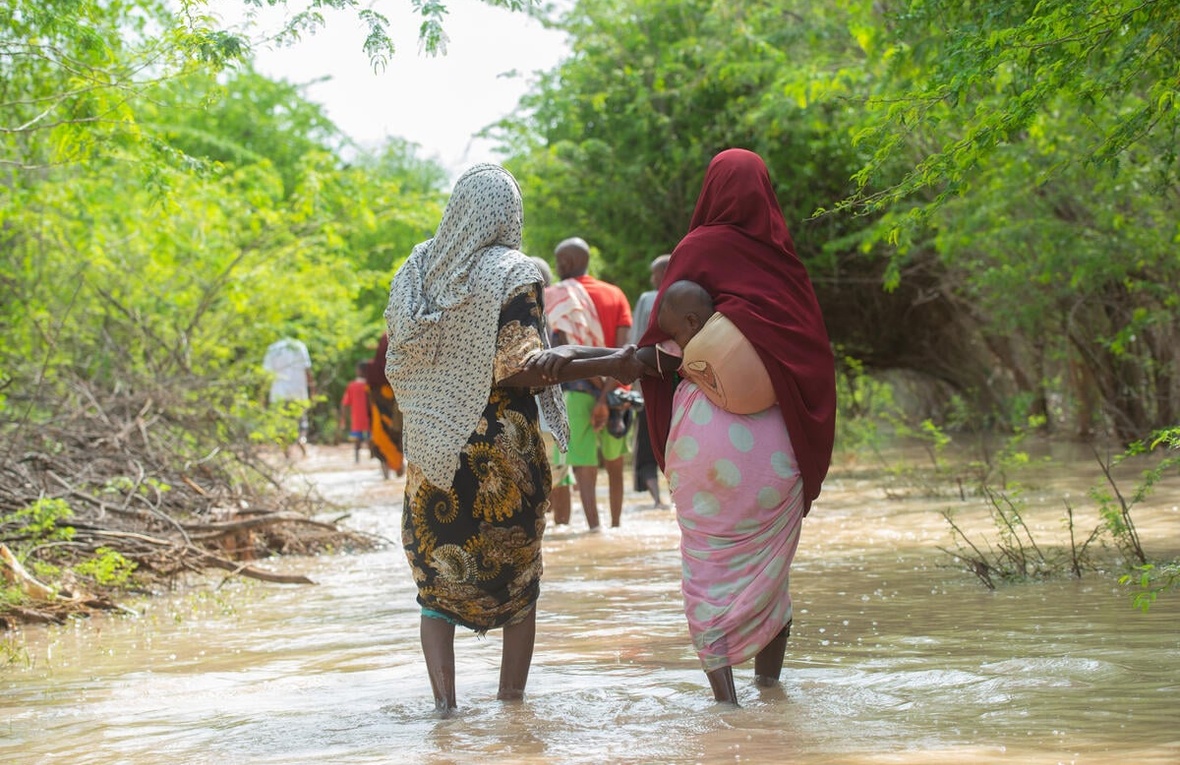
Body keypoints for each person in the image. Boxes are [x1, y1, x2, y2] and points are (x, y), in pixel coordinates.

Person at [531, 149, 837, 706]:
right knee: (771, 579)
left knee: (708, 571)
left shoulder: (696, 250)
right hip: (778, 446)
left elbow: (658, 356)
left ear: (711, 191)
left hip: (707, 441)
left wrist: (582, 358)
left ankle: (727, 708)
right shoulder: (785, 266)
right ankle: (773, 699)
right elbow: (814, 366)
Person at [382, 163, 640, 713]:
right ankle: (512, 711)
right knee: (519, 583)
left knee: (434, 586)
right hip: (500, 451)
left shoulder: (417, 267)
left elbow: (400, 352)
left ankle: (445, 711)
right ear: (508, 213)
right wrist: (606, 361)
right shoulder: (512, 270)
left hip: (431, 449)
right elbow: (520, 366)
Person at [546, 237, 633, 529]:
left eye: (558, 262)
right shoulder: (615, 294)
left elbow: (567, 349)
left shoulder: (558, 297)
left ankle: (594, 529)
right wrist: (606, 394)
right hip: (617, 393)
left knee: (584, 465)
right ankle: (617, 526)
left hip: (579, 389)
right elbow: (624, 352)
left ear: (567, 262)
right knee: (615, 464)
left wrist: (596, 392)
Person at [654, 279, 776, 416]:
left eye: (675, 335)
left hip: (742, 409)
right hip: (772, 397)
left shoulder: (693, 352)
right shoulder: (734, 322)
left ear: (692, 322)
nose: (676, 343)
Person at [629, 254, 670, 509]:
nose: (652, 279)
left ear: (663, 273)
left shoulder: (648, 299)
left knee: (647, 445)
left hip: (649, 384)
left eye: (655, 274)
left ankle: (657, 499)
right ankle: (677, 497)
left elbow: (635, 342)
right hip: (679, 385)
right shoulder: (690, 296)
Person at [262, 337, 314, 457]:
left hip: (278, 392)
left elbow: (267, 375)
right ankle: (302, 440)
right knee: (301, 422)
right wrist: (313, 388)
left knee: (281, 423)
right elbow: (307, 370)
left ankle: (286, 450)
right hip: (298, 392)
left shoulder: (273, 348)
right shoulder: (299, 346)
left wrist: (263, 394)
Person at [366, 334, 405, 479]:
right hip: (396, 410)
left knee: (381, 438)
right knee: (396, 438)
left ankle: (387, 476)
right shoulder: (400, 364)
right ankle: (397, 469)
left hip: (382, 410)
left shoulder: (373, 369)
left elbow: (369, 392)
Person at [339, 362, 372, 463]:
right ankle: (372, 459)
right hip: (369, 418)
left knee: (357, 442)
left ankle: (357, 460)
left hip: (357, 419)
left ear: (358, 371)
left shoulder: (352, 386)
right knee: (370, 440)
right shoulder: (369, 385)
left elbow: (344, 404)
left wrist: (343, 418)